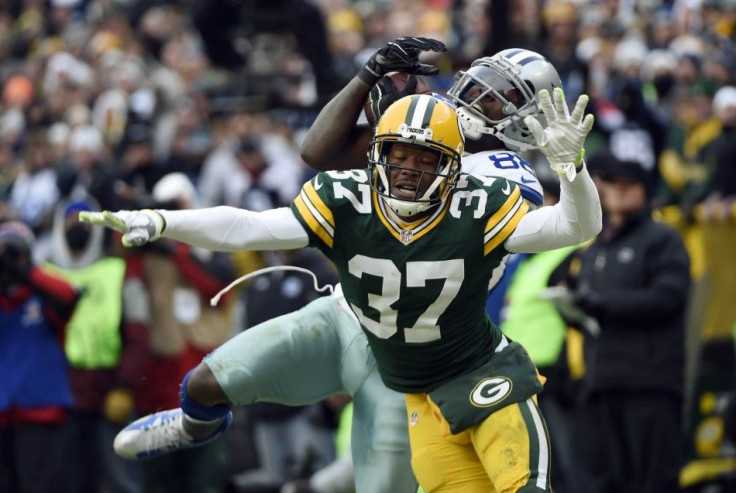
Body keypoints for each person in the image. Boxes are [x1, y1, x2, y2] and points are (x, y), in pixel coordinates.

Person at [87, 39, 553, 493]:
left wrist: (410, 126)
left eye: (503, 97)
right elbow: (316, 153)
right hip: (348, 314)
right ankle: (195, 425)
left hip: (418, 360)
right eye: (482, 83)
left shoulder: (506, 178)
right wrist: (366, 81)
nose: (479, 96)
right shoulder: (425, 137)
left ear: (528, 123)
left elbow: (433, 186)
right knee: (209, 382)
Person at [561, 154, 690, 493]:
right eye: (611, 184)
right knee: (604, 481)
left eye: (625, 184)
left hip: (648, 382)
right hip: (601, 382)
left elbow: (668, 299)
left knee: (652, 481)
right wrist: (570, 307)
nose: (616, 191)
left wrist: (601, 305)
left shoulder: (662, 239)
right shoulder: (594, 248)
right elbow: (588, 306)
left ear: (644, 190)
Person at [44, 198, 148, 493]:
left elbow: (139, 334)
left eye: (84, 221)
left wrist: (125, 386)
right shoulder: (46, 274)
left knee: (121, 480)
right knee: (69, 478)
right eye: (70, 220)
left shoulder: (119, 271)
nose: (76, 227)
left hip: (109, 390)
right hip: (62, 394)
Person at [0, 220, 80, 492]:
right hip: (4, 412)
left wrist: (26, 272)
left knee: (39, 485)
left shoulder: (42, 295)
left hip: (41, 409)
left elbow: (68, 296)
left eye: (16, 253)